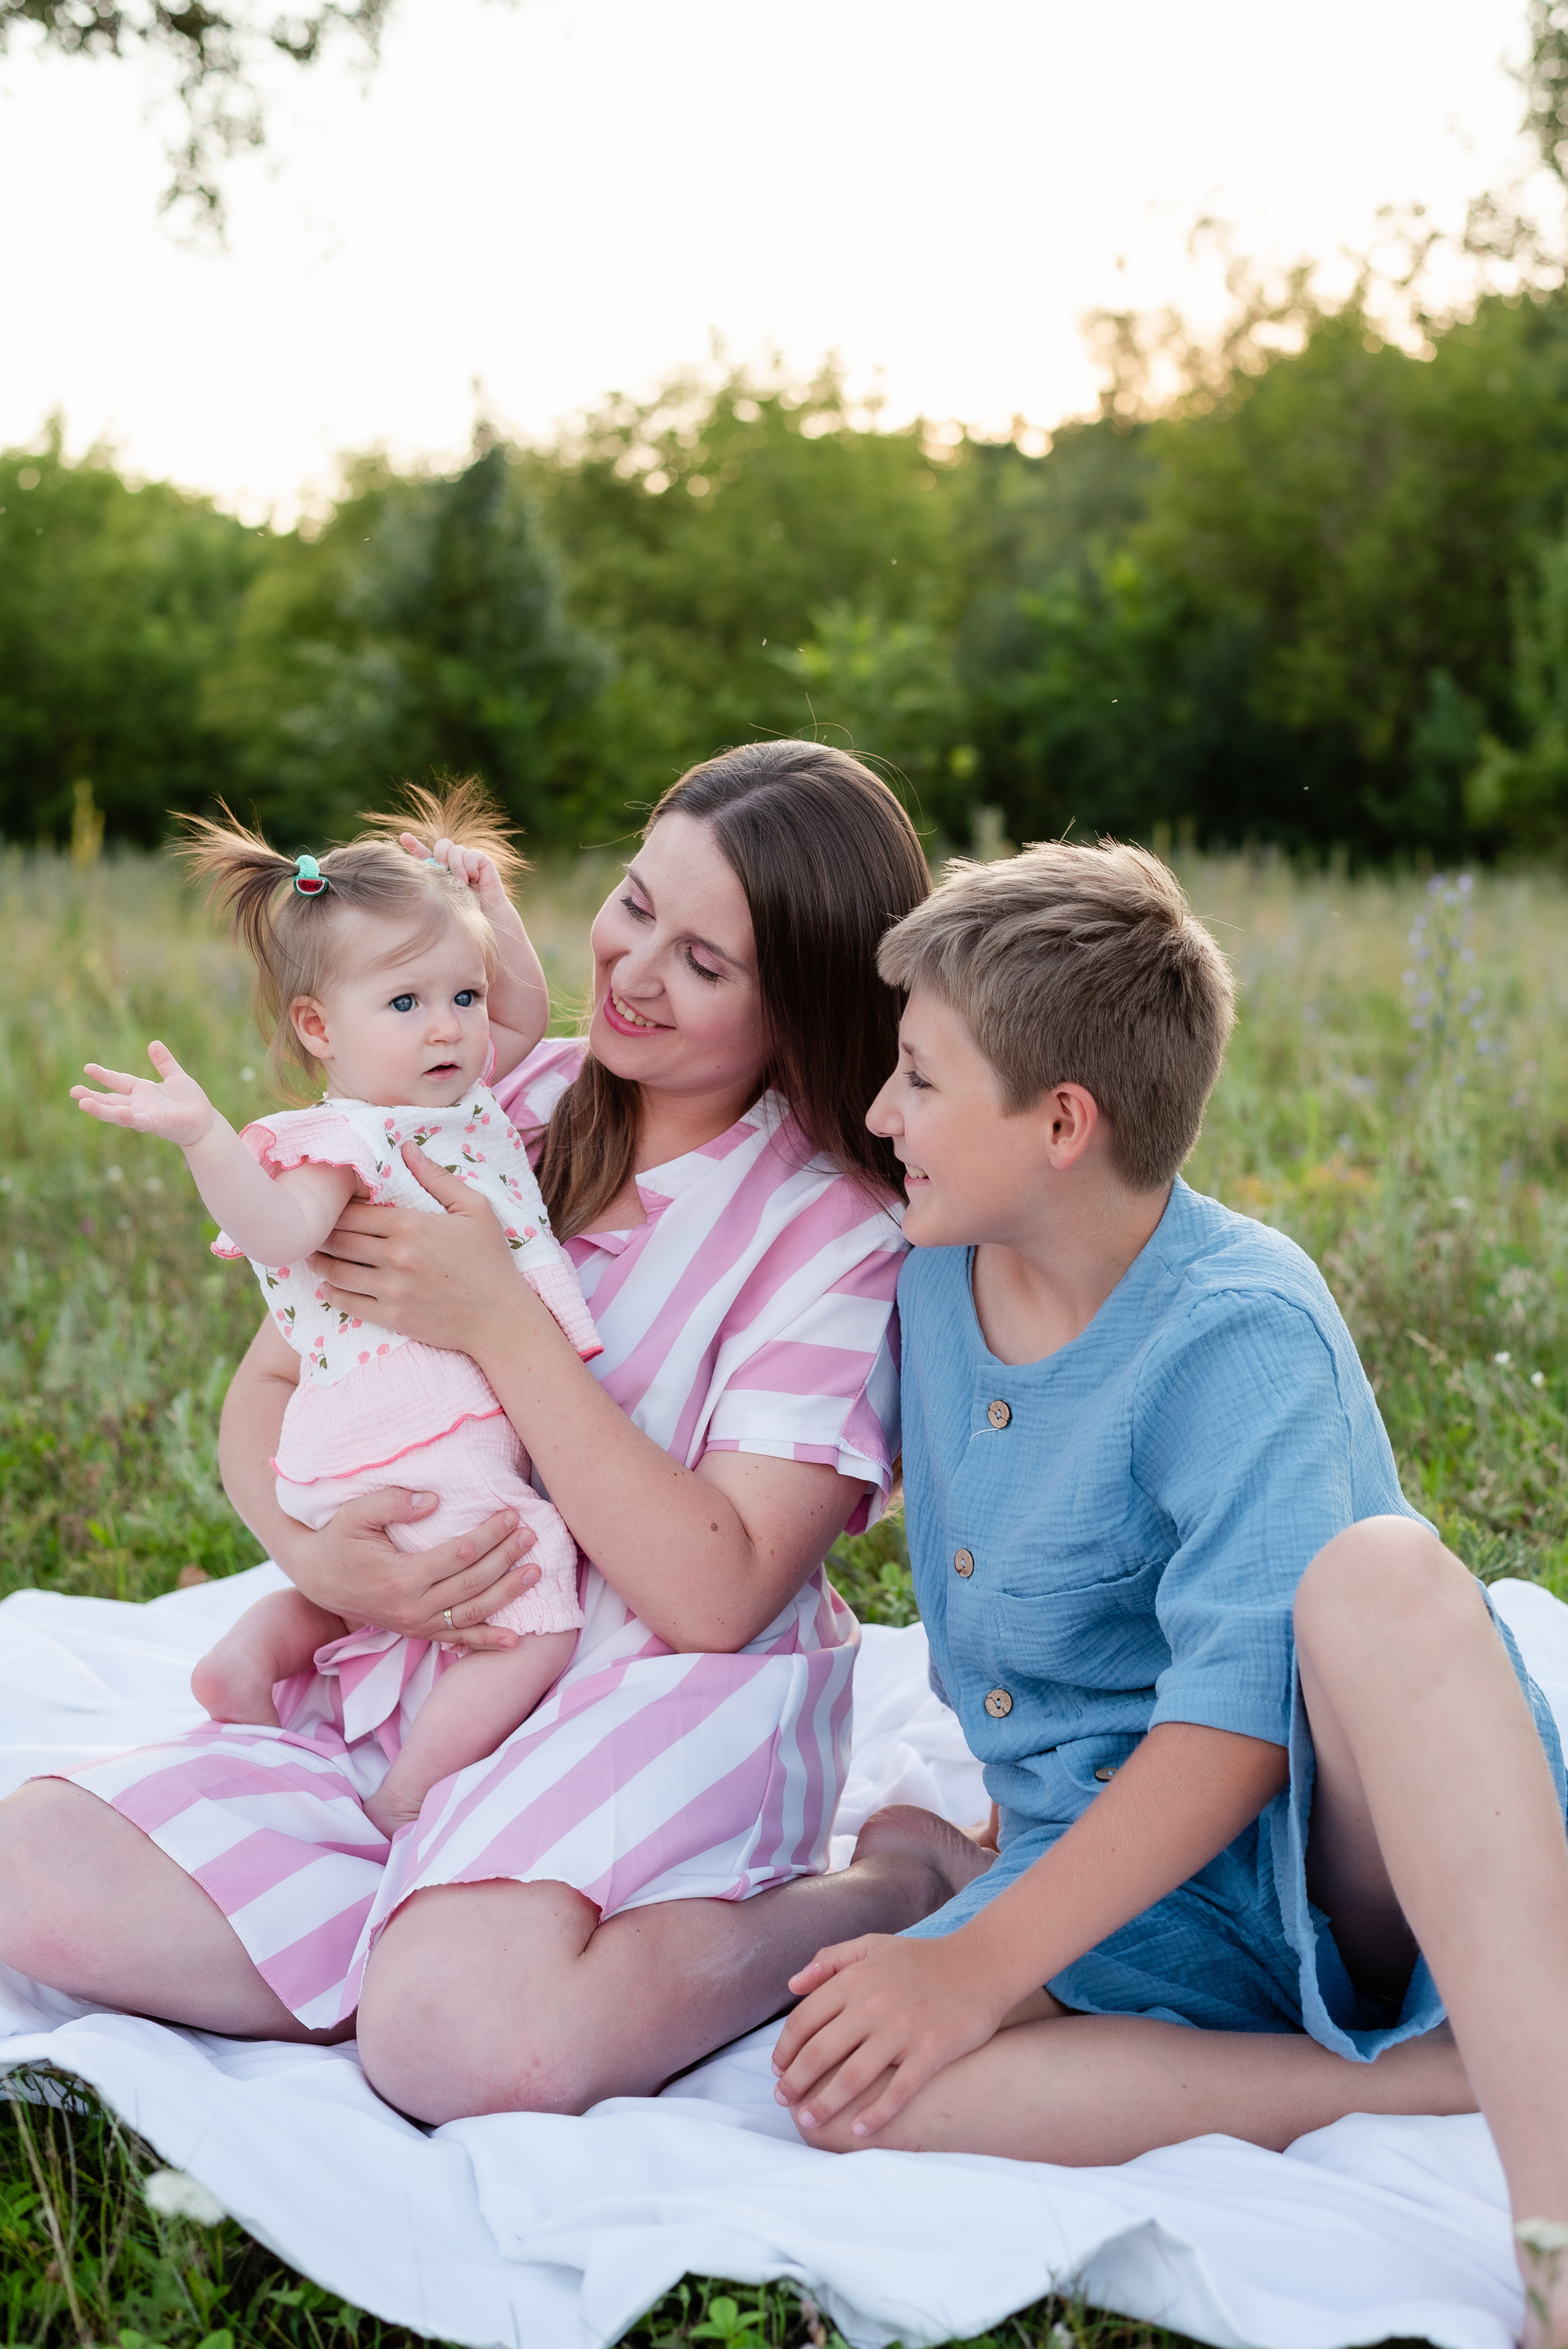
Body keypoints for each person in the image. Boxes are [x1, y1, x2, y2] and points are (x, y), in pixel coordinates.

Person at [0, 740, 976, 2121]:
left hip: (659, 1691)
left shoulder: (835, 1234)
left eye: (707, 964)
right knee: (35, 1867)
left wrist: (503, 1323)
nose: (633, 974)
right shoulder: (483, 1105)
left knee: (464, 2046)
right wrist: (316, 1559)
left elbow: (716, 1591)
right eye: (636, 905)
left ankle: (885, 1882)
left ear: (801, 1001)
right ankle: (429, 1906)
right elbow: (273, 1389)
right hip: (427, 1670)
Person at [768, 842, 1568, 2349]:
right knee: (873, 2098)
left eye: (922, 1082)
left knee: (1382, 1573)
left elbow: (1230, 1734)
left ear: (1061, 1121)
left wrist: (977, 1962)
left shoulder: (1235, 1327)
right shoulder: (934, 1280)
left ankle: (1556, 2247)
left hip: (1339, 1857)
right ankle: (1411, 2080)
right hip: (1126, 1885)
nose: (880, 1116)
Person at [69, 784, 601, 1842]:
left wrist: (488, 905)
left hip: (375, 1435)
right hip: (414, 1419)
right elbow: (274, 1228)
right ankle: (406, 1792)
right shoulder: (346, 1138)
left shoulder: (451, 1093)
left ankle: (252, 1657)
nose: (450, 1026)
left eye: (459, 993)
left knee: (372, 1585)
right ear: (318, 1026)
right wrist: (208, 1139)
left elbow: (526, 1017)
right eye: (405, 1004)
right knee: (533, 1602)